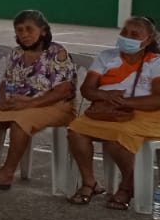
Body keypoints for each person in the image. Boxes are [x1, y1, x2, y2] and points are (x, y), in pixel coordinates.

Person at [0, 10, 78, 192]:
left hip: (55, 106)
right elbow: (6, 82)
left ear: (43, 31)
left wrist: (29, 104)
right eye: (20, 30)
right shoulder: (17, 53)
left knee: (20, 122)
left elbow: (64, 90)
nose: (24, 34)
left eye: (29, 29)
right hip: (20, 104)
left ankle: (7, 173)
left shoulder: (57, 53)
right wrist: (4, 100)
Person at [67, 17, 160, 208]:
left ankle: (127, 186)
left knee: (117, 138)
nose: (127, 37)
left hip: (146, 114)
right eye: (124, 32)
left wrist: (126, 102)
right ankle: (89, 182)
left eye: (135, 34)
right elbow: (87, 90)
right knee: (76, 130)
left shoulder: (156, 62)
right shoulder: (106, 56)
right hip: (107, 111)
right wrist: (106, 95)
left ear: (149, 39)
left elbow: (157, 99)